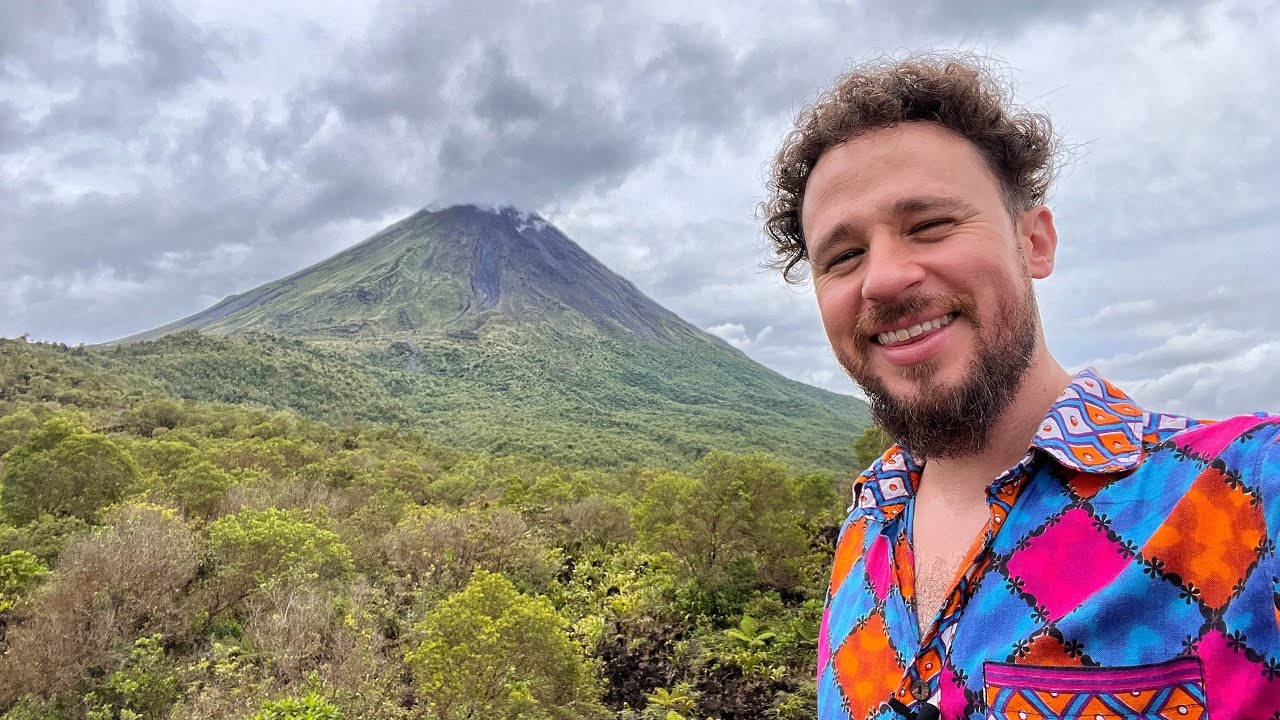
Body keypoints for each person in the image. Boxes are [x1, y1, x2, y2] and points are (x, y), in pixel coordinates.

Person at [762, 54, 1280, 720]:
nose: (883, 279)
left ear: (1034, 242)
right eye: (843, 256)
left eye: (929, 225)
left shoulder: (1247, 492)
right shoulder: (863, 533)